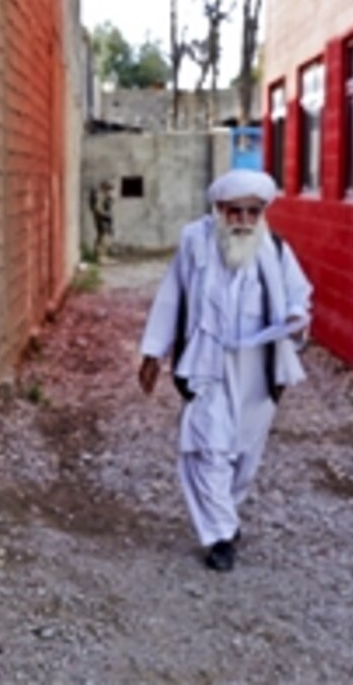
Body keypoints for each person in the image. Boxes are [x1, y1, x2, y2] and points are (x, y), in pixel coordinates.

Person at [136, 169, 312, 572]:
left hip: (257, 367)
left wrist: (297, 320)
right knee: (207, 446)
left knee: (244, 452)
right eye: (236, 212)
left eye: (253, 213)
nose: (245, 222)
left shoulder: (276, 250)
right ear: (219, 209)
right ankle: (219, 537)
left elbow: (299, 298)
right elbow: (171, 297)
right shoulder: (195, 243)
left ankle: (226, 516)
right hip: (206, 363)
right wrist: (153, 353)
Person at [89, 180, 115, 259]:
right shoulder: (99, 196)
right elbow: (98, 209)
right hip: (101, 219)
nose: (110, 191)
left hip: (103, 218)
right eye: (108, 189)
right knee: (103, 237)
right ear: (104, 188)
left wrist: (109, 198)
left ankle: (102, 255)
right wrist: (106, 215)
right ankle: (100, 256)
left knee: (104, 236)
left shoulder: (104, 196)